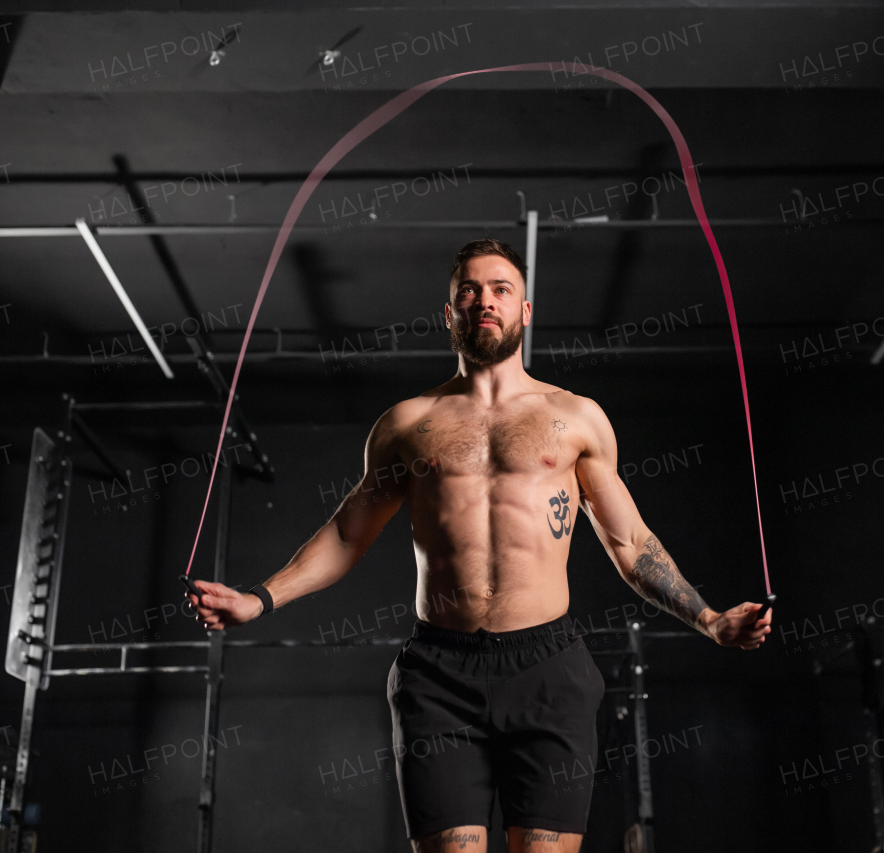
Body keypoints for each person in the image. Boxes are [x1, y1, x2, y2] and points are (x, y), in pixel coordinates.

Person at [186, 238, 773, 853]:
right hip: (439, 676)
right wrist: (258, 600)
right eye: (468, 290)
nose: (483, 301)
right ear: (449, 312)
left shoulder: (576, 417)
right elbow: (346, 534)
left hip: (548, 669)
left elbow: (629, 542)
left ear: (525, 310)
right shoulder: (407, 424)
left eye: (500, 290)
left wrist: (708, 619)